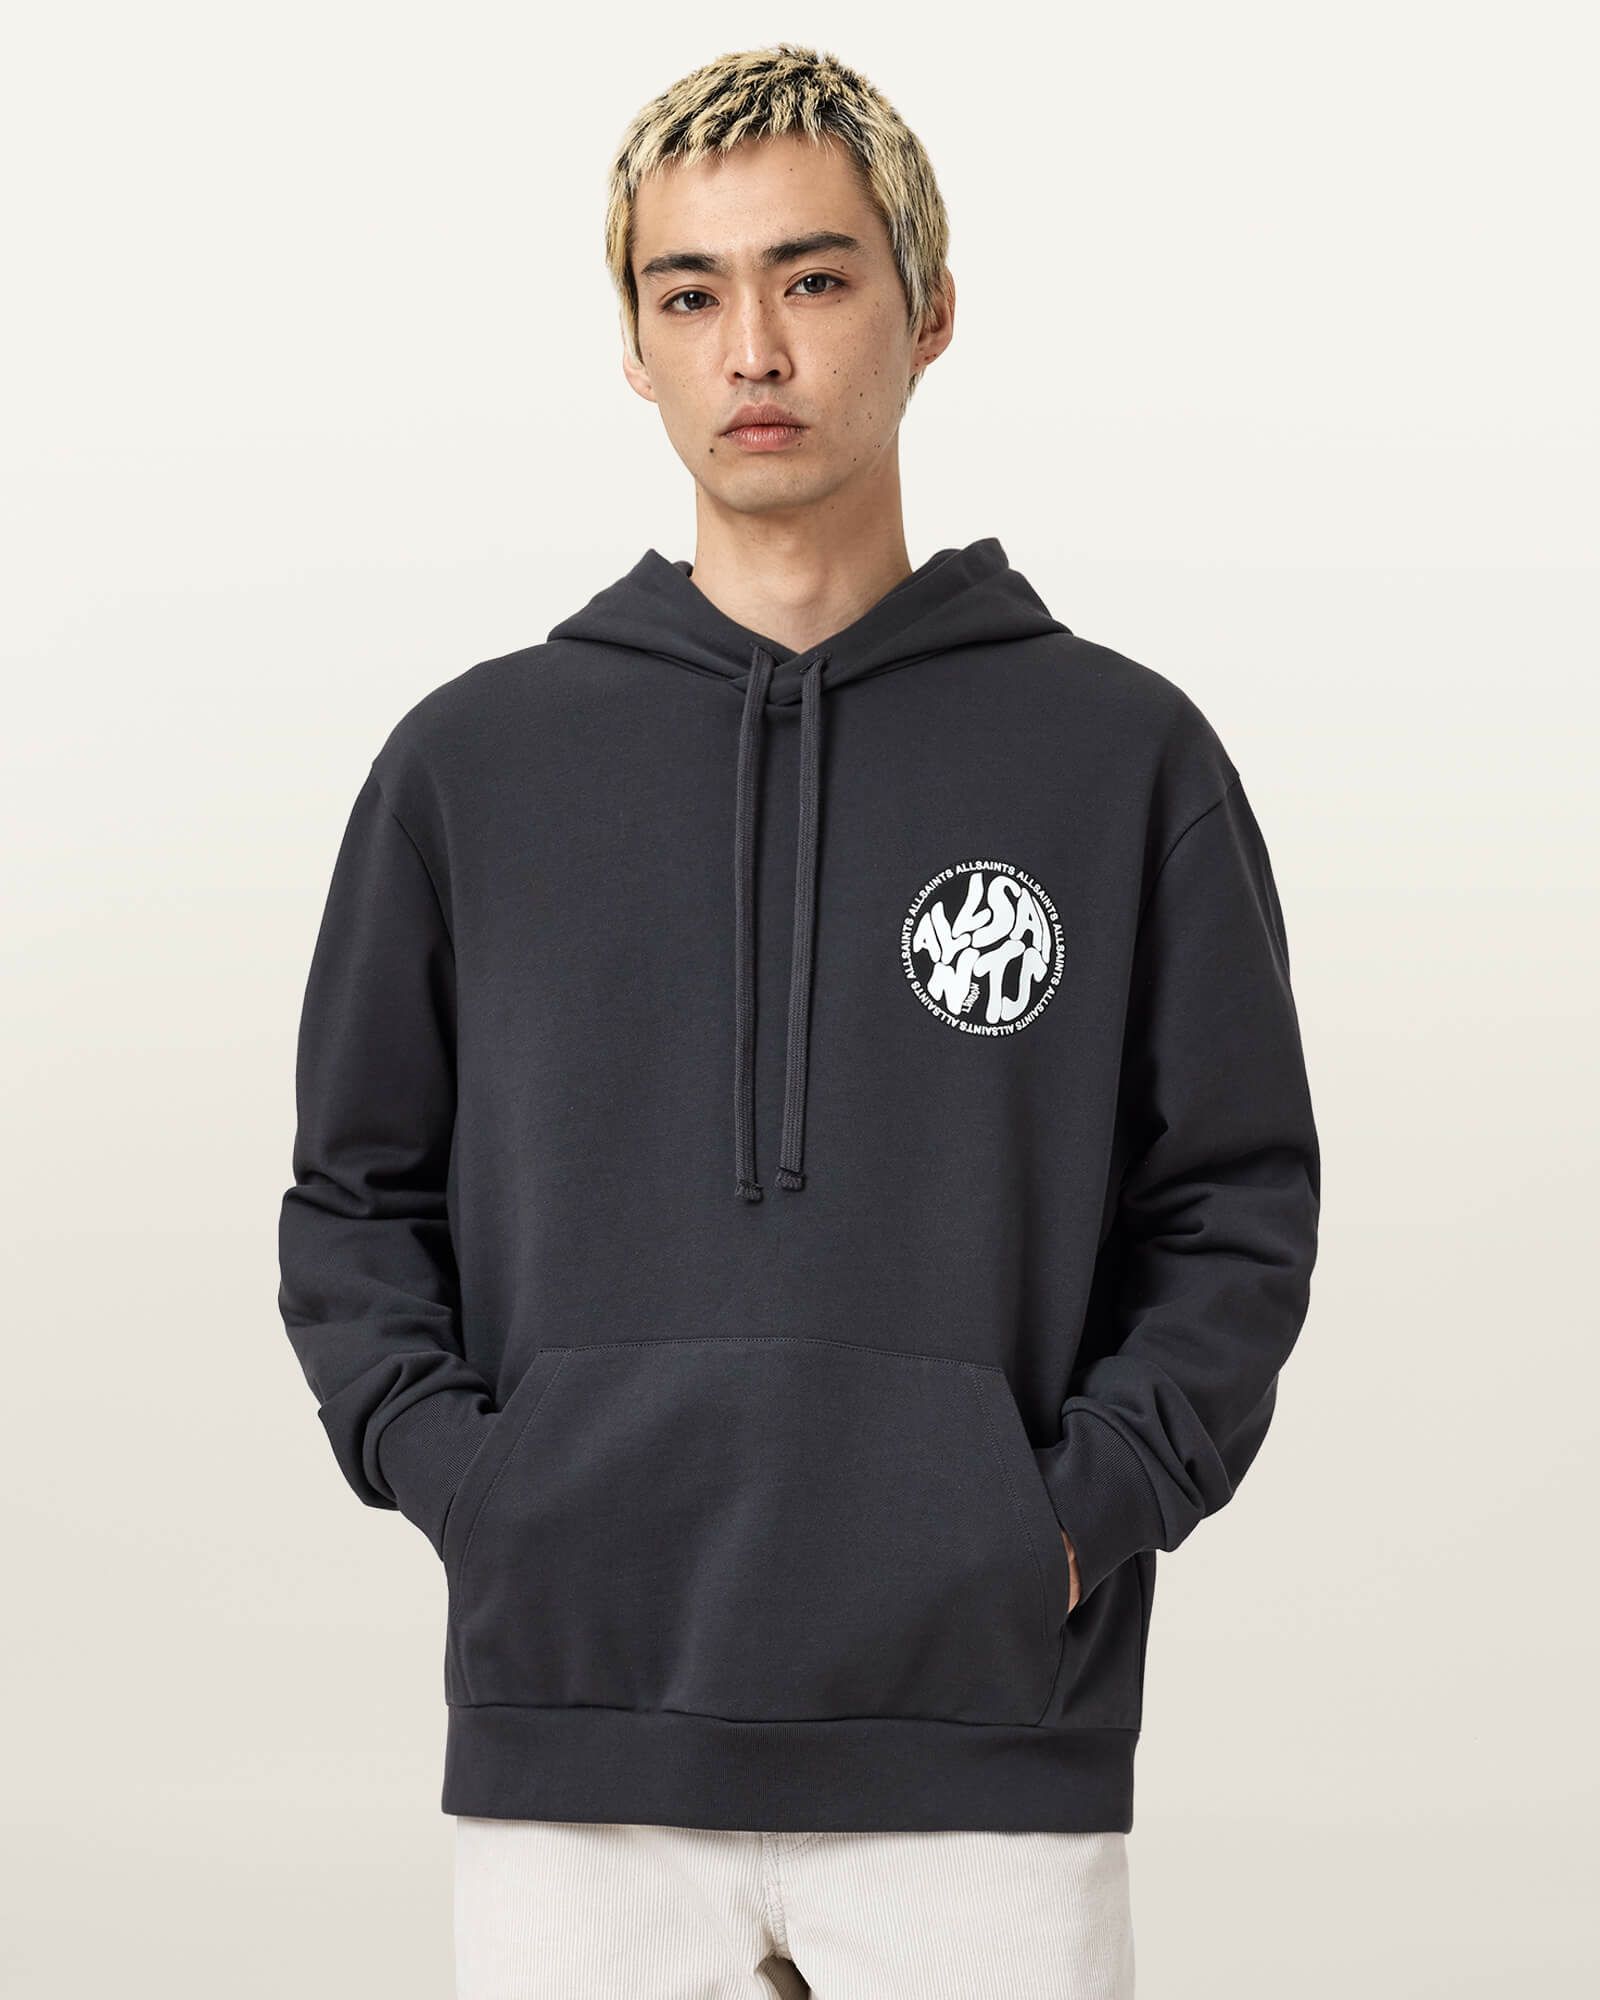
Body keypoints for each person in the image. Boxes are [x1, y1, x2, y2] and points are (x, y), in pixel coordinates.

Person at [276, 40, 1321, 2000]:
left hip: (987, 1750)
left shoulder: (1120, 757)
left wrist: (1061, 1523)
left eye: (812, 278)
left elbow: (1236, 1208)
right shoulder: (469, 768)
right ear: (634, 344)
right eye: (689, 293)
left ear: (929, 312)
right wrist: (488, 1500)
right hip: (577, 1748)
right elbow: (351, 1207)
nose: (751, 347)